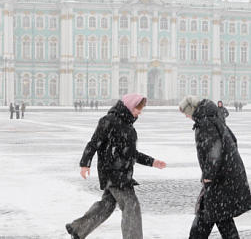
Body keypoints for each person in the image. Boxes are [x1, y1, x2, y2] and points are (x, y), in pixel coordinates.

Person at [66, 93, 166, 239]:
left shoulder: (128, 126)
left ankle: (78, 229)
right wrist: (85, 164)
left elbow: (131, 153)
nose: (140, 112)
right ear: (130, 106)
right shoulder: (109, 121)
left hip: (120, 172)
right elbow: (93, 143)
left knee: (106, 205)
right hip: (114, 172)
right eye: (138, 108)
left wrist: (152, 162)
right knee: (131, 205)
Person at [179, 95, 251, 239]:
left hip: (218, 180)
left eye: (186, 112)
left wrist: (208, 176)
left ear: (192, 110)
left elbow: (214, 152)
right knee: (221, 219)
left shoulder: (205, 122)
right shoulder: (213, 118)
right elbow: (232, 140)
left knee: (206, 220)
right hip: (223, 177)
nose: (186, 116)